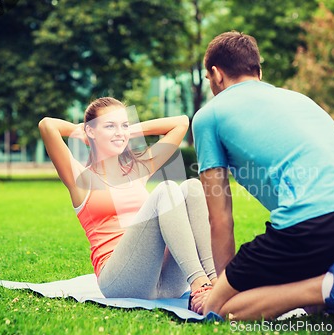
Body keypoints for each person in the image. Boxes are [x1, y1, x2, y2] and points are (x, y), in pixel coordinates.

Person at [193, 31, 334, 334]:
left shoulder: (209, 116)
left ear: (216, 75)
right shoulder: (300, 100)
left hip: (317, 224)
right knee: (298, 299)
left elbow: (219, 217)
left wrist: (223, 288)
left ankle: (329, 286)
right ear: (258, 72)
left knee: (220, 309)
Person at [39, 97, 216, 313]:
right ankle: (199, 283)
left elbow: (181, 123)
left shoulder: (137, 170)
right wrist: (82, 132)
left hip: (166, 282)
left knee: (192, 187)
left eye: (124, 124)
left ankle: (215, 283)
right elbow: (47, 125)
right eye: (110, 125)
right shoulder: (80, 179)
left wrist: (126, 130)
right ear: (91, 131)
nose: (120, 132)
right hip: (120, 281)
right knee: (166, 189)